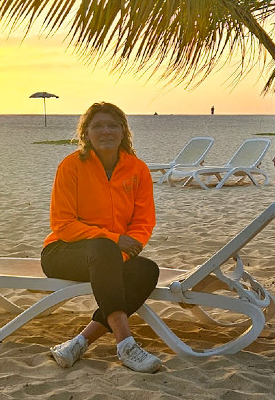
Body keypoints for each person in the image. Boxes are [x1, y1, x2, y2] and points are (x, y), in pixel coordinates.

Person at [42, 102, 163, 373]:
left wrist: (122, 248)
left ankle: (80, 342)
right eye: (97, 126)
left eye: (112, 125)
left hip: (110, 256)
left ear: (123, 131)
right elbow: (62, 223)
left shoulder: (137, 169)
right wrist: (113, 240)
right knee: (104, 247)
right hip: (62, 252)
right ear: (86, 133)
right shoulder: (71, 166)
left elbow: (144, 221)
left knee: (146, 269)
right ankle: (126, 344)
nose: (105, 131)